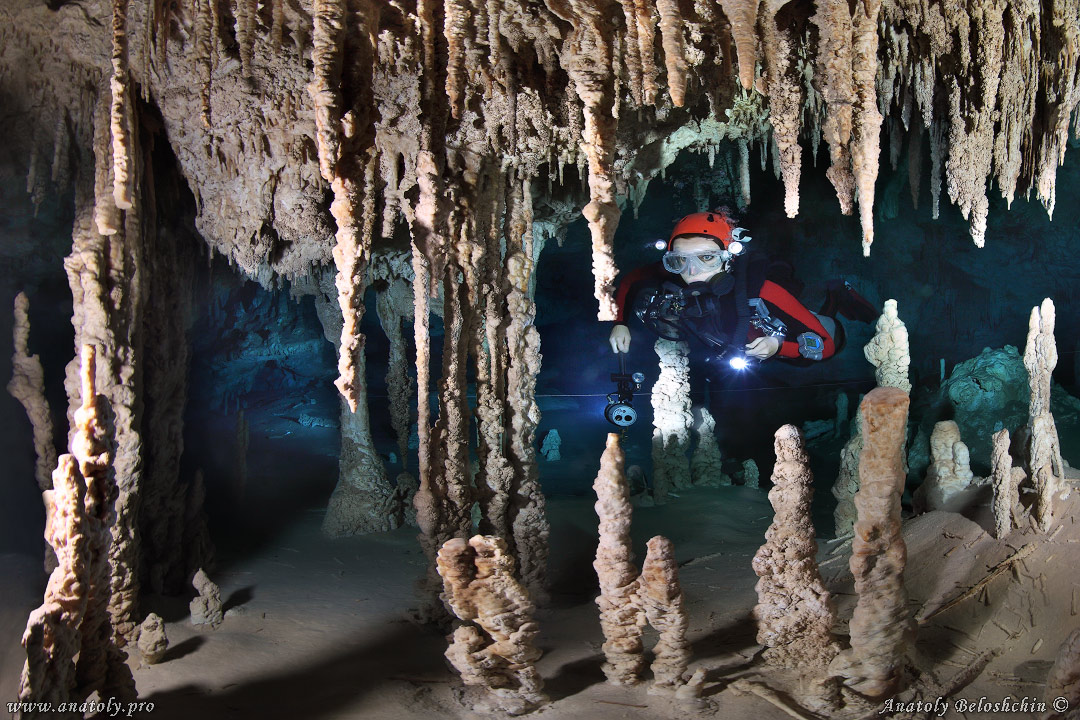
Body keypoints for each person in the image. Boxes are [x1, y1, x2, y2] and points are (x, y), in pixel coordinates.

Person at [608, 210, 876, 368]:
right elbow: (632, 279)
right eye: (679, 260)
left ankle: (837, 294)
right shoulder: (675, 274)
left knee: (831, 335)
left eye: (707, 258)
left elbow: (826, 346)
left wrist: (779, 347)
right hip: (748, 352)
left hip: (799, 344)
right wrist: (620, 323)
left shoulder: (764, 291)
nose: (692, 272)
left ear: (729, 259)